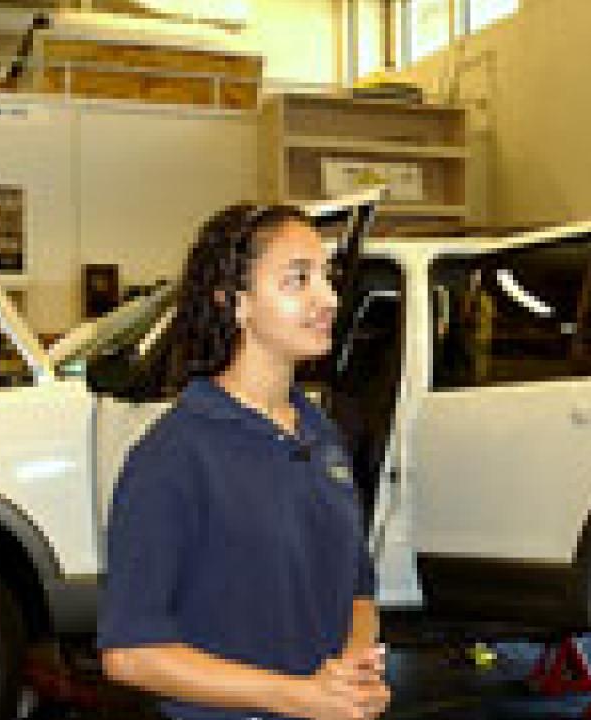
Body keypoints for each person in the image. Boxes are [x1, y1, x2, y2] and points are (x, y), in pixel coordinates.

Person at [98, 204, 390, 720]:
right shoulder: (175, 454)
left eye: (325, 277)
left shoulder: (321, 435)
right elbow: (131, 653)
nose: (328, 298)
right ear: (235, 302)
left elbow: (357, 591)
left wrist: (352, 675)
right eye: (297, 279)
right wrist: (301, 696)